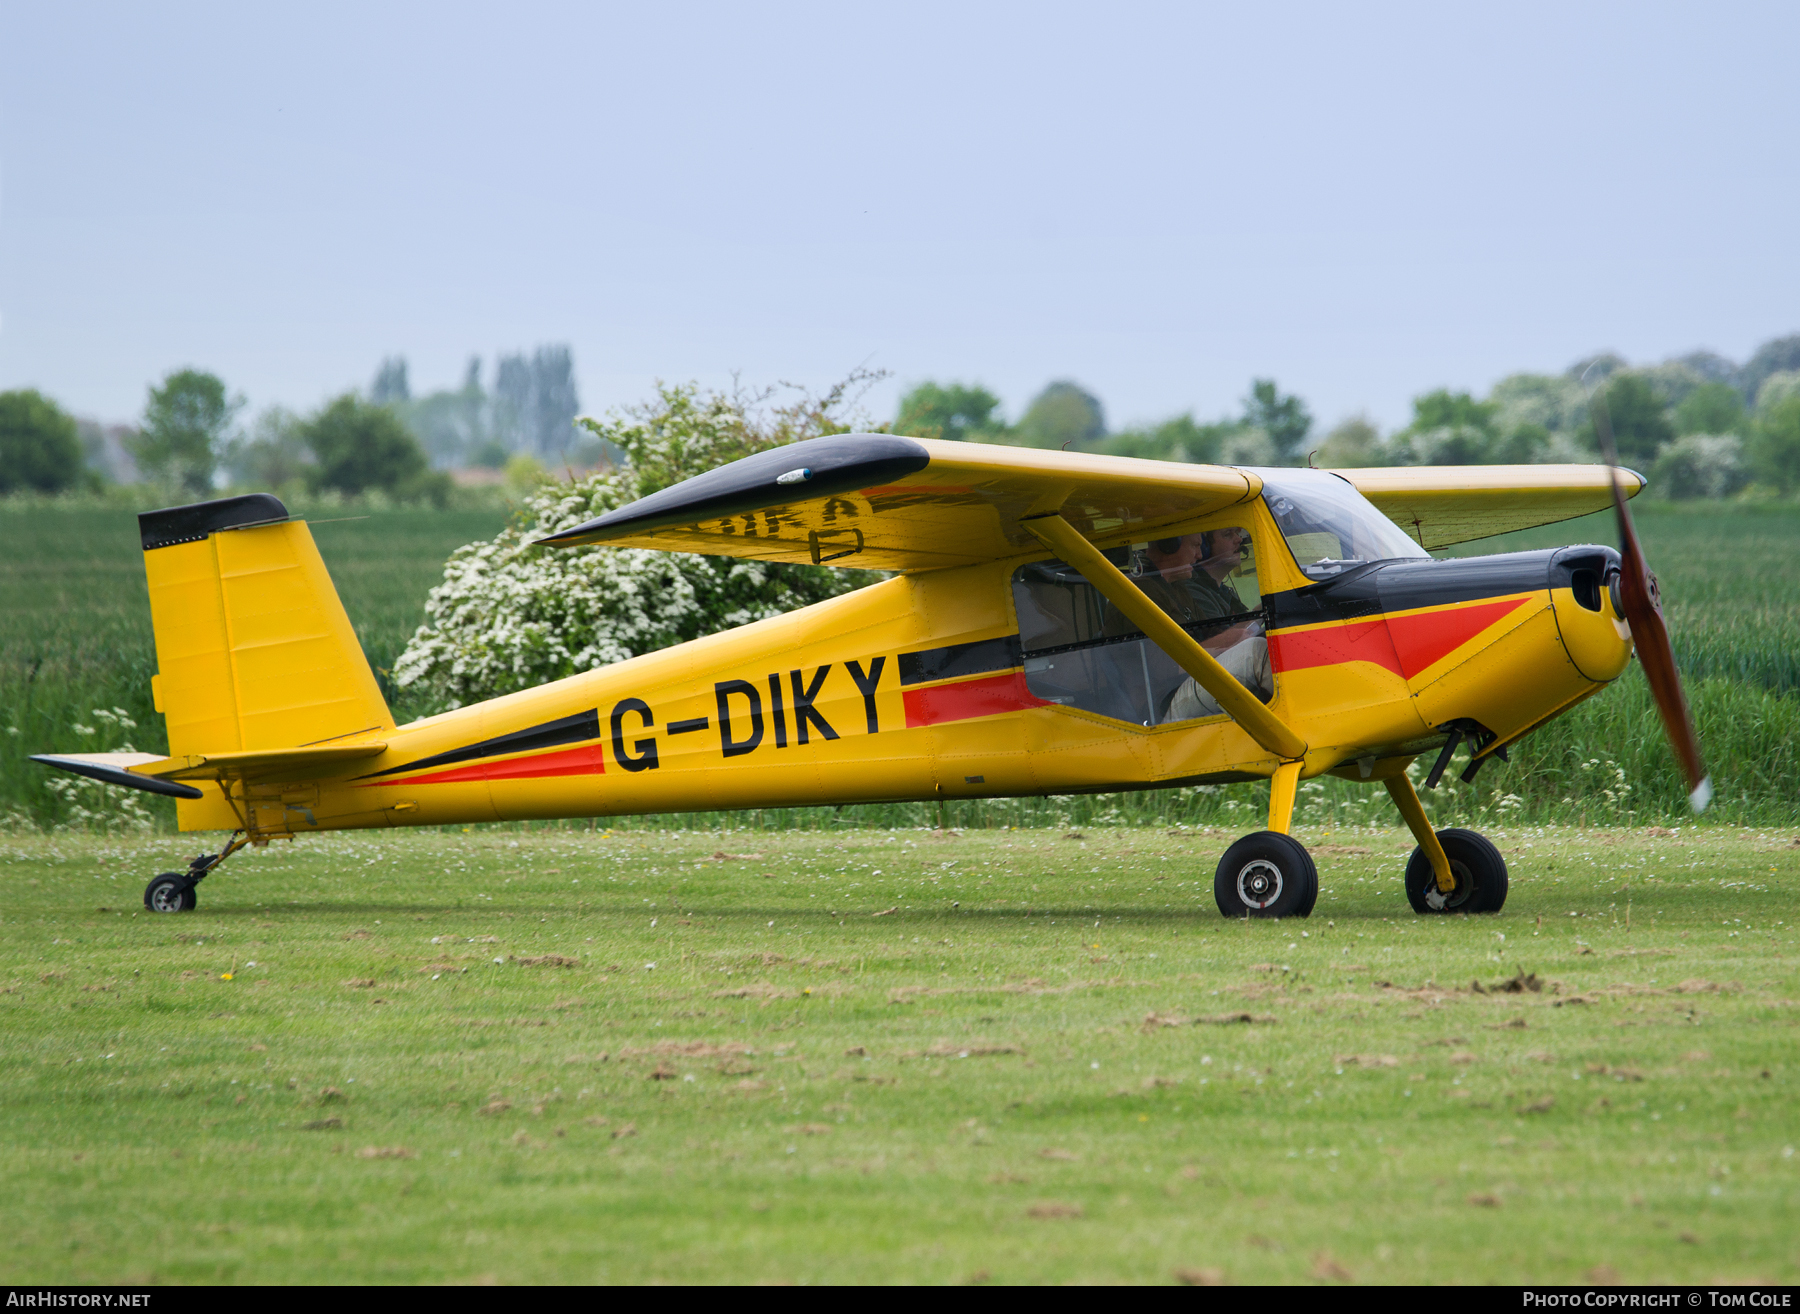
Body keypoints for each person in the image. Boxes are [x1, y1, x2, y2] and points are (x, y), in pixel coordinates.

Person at [1101, 526, 1272, 720]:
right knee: (1257, 652)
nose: (1199, 555)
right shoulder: (1139, 594)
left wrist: (1263, 611)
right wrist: (1228, 640)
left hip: (1186, 683)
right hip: (1161, 703)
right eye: (1195, 545)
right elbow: (1163, 668)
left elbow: (1214, 633)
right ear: (1169, 545)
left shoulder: (1177, 590)